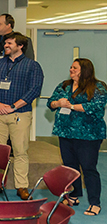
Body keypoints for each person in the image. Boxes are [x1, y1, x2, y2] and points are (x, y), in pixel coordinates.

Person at [0, 32, 43, 200]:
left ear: (20, 46)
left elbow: (34, 90)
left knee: (20, 151)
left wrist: (13, 107)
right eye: (5, 43)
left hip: (20, 114)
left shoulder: (33, 66)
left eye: (9, 43)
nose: (5, 45)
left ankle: (21, 186)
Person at [47, 58, 103, 216]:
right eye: (71, 67)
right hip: (65, 132)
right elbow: (50, 102)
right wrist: (58, 103)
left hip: (88, 135)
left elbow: (95, 107)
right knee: (70, 166)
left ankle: (94, 203)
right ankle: (74, 195)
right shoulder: (64, 85)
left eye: (75, 68)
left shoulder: (98, 87)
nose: (71, 70)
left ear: (84, 70)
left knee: (88, 168)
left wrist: (70, 106)